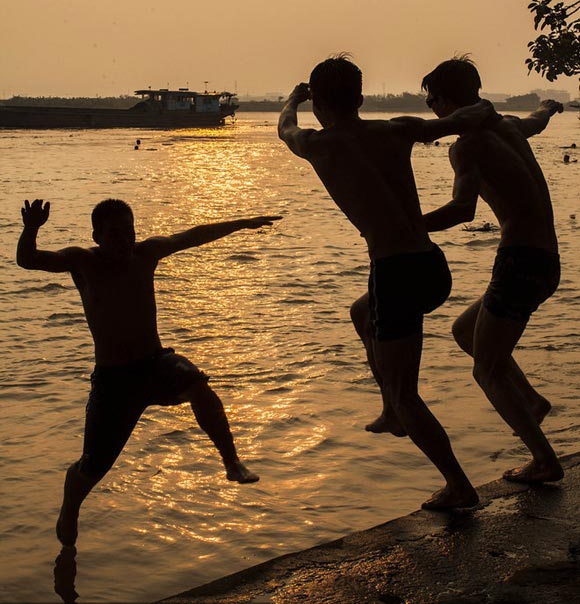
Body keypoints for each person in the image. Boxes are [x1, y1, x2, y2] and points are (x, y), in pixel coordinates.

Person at [278, 55, 494, 511]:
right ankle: (390, 408)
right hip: (432, 266)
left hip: (395, 273)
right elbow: (457, 121)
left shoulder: (316, 144)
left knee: (406, 391)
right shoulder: (396, 129)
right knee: (361, 313)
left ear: (320, 104)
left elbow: (285, 128)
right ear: (359, 99)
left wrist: (294, 100)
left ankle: (457, 483)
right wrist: (484, 109)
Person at [17, 198, 281, 546]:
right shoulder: (83, 261)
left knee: (198, 385)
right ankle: (71, 505)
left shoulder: (146, 254)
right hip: (113, 381)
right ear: (96, 236)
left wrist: (242, 222)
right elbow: (28, 260)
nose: (124, 241)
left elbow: (193, 236)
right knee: (92, 468)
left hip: (155, 364)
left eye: (129, 232)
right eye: (115, 234)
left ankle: (232, 463)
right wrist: (31, 229)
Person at [420, 56, 563, 485]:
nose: (430, 108)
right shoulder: (510, 127)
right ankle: (532, 402)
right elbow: (537, 121)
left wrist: (403, 225)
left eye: (431, 100)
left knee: (486, 369)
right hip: (545, 259)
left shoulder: (466, 145)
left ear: (446, 101)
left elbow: (462, 210)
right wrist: (548, 106)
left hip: (520, 262)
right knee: (465, 331)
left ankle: (544, 460)